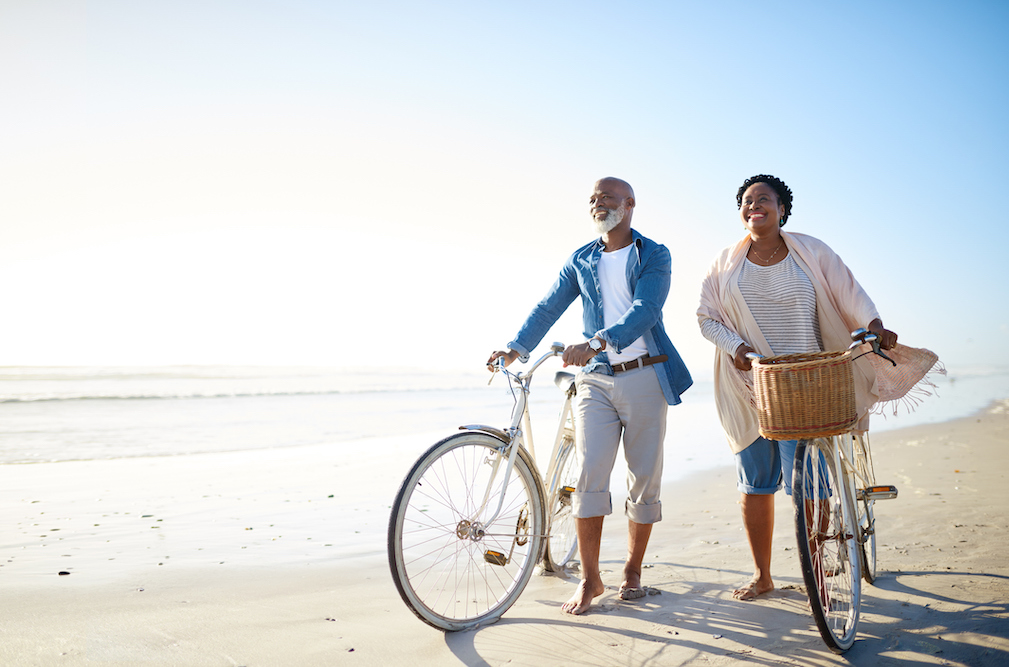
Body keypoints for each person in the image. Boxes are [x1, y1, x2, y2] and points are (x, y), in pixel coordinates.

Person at [488, 177, 692, 615]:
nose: (597, 202)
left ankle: (633, 572)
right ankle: (590, 579)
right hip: (596, 380)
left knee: (642, 480)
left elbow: (647, 310)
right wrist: (516, 347)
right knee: (589, 478)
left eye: (606, 196)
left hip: (645, 376)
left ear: (629, 204)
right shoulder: (580, 258)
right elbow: (548, 306)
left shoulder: (654, 254)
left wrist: (599, 340)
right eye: (592, 198)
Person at [696, 174, 899, 601]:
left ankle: (818, 573)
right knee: (755, 481)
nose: (755, 206)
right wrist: (736, 347)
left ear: (782, 209)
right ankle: (762, 575)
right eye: (747, 201)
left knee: (808, 484)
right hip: (748, 382)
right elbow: (706, 317)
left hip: (808, 381)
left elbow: (849, 293)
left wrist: (874, 325)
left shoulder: (811, 251)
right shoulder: (723, 263)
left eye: (764, 199)